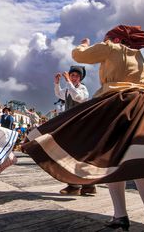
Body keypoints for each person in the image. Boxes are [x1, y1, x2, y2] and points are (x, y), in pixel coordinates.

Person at [23, 25, 144, 232]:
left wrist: (83, 45)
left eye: (108, 37)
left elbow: (79, 55)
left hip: (117, 104)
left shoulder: (112, 47)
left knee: (111, 161)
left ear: (115, 38)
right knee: (137, 163)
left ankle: (123, 216)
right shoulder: (138, 55)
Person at [54, 65, 95, 196]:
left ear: (80, 78)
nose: (74, 77)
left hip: (80, 125)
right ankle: (87, 185)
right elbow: (59, 93)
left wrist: (68, 82)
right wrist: (56, 83)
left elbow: (79, 97)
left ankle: (76, 185)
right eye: (72, 75)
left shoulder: (83, 89)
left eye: (77, 76)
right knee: (72, 153)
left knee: (77, 154)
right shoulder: (67, 89)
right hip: (70, 124)